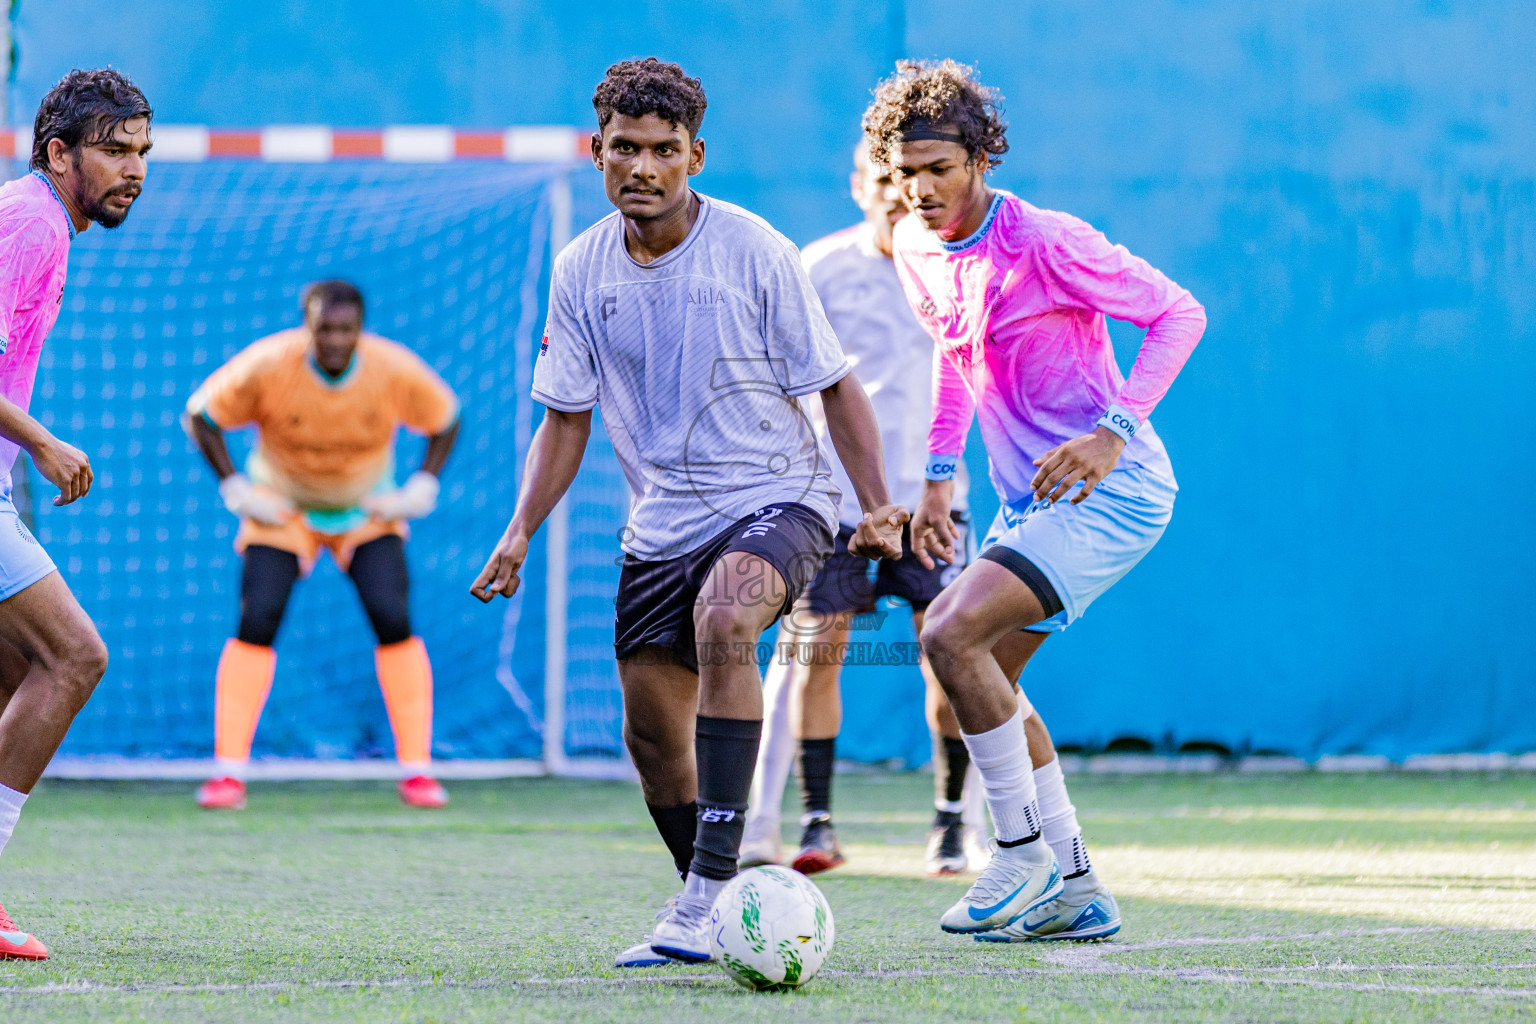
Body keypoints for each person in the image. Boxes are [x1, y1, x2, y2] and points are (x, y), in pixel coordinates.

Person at [471, 58, 905, 968]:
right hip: (661, 523)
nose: (643, 168)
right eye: (624, 149)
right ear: (597, 152)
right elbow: (565, 419)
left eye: (664, 151)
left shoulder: (757, 251)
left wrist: (876, 508)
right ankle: (714, 907)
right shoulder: (579, 270)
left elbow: (837, 389)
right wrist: (519, 532)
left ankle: (713, 887)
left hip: (781, 497)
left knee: (726, 615)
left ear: (695, 155)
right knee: (651, 738)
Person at [865, 59, 1206, 941]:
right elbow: (951, 352)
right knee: (991, 684)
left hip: (1117, 491)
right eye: (907, 173)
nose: (923, 188)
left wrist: (1113, 428)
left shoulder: (1048, 240)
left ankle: (1017, 851)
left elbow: (1179, 314)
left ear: (982, 158)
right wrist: (940, 476)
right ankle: (1080, 887)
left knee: (947, 633)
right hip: (1030, 501)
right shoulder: (911, 244)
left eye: (940, 167)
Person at [738, 139, 988, 878]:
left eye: (909, 178)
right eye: (882, 178)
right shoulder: (818, 269)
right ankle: (798, 824)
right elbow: (777, 386)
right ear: (858, 186)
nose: (896, 192)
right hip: (838, 512)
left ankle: (955, 823)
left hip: (935, 509)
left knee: (953, 662)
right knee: (809, 657)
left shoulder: (954, 268)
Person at [185, 280, 460, 811]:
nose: (334, 340)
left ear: (361, 330)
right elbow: (201, 415)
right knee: (257, 619)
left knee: (392, 615)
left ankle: (418, 772)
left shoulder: (392, 369)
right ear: (305, 327)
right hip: (282, 510)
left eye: (345, 330)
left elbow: (447, 420)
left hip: (366, 510)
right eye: (323, 329)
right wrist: (236, 489)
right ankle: (227, 774)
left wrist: (422, 485)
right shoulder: (268, 364)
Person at [0, 69, 152, 962]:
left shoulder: (40, 219)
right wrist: (47, 445)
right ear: (60, 153)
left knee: (21, 665)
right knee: (74, 655)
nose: (133, 169)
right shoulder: (28, 221)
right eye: (114, 150)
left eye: (141, 153)